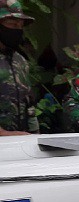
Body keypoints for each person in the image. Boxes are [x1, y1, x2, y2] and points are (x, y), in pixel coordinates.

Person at [0, 0, 38, 136]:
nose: (17, 30)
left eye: (20, 26)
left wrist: (35, 135)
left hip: (19, 145)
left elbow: (28, 102)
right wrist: (3, 134)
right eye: (12, 24)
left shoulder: (20, 61)